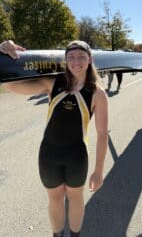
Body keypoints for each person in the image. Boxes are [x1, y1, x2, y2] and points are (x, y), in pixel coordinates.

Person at [0, 39, 108, 237]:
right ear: (65, 60)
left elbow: (102, 136)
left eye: (81, 56)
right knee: (55, 199)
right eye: (71, 57)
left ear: (90, 59)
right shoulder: (53, 82)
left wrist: (99, 171)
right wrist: (4, 55)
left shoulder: (97, 93)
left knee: (75, 198)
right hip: (49, 154)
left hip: (77, 156)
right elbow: (11, 87)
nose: (76, 61)